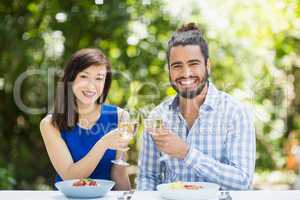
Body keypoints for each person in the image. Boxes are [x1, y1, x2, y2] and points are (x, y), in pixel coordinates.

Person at [137, 23, 256, 190]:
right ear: (169, 71)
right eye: (177, 66)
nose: (186, 74)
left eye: (193, 64)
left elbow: (242, 181)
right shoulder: (157, 117)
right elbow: (147, 177)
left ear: (207, 66)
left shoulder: (235, 113)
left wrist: (187, 153)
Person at [40, 48, 130, 190]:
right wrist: (103, 144)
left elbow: (119, 173)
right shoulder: (50, 124)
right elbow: (70, 177)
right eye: (84, 76)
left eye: (99, 78)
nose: (91, 85)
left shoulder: (120, 117)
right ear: (71, 78)